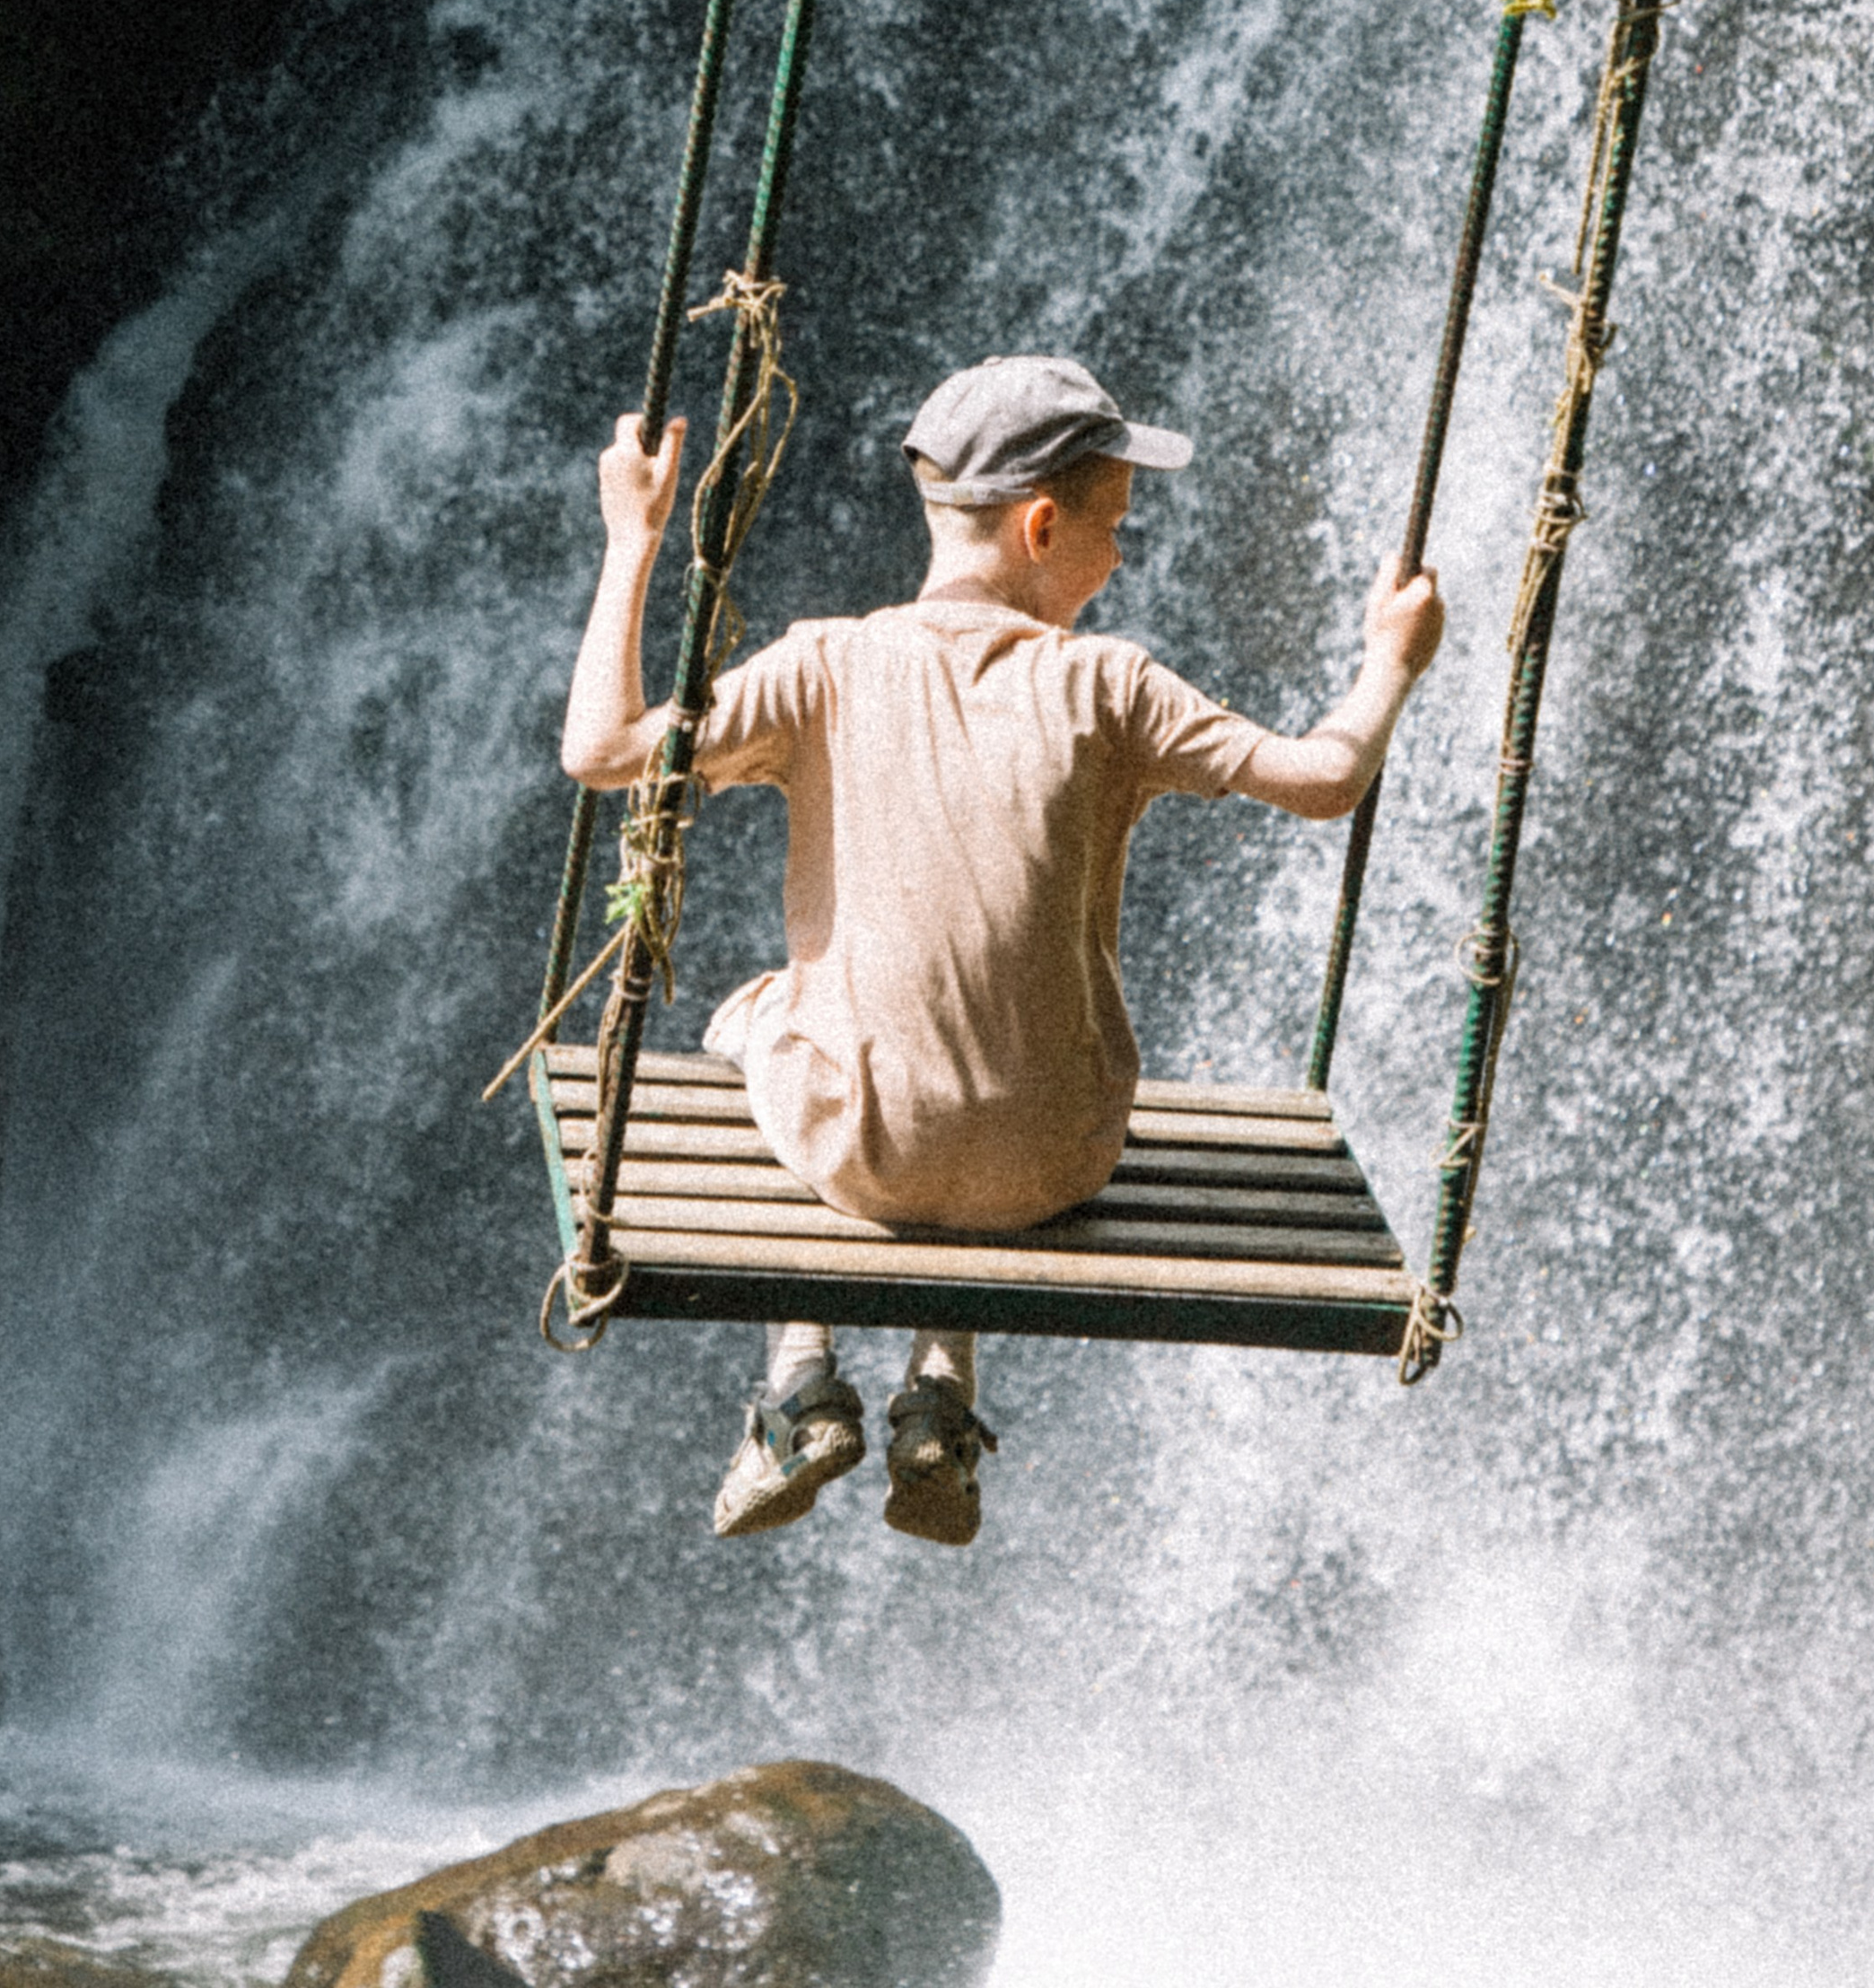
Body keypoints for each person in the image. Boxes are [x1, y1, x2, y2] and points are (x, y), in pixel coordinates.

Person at [562, 354, 1444, 1548]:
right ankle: (941, 1389)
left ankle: (800, 1382)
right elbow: (1330, 778)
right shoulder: (1113, 684)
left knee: (757, 1012)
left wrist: (633, 538)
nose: (1120, 557)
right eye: (1112, 527)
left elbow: (601, 749)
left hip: (867, 1150)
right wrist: (1392, 661)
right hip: (1061, 1159)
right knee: (987, 1046)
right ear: (1039, 525)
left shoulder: (823, 665)